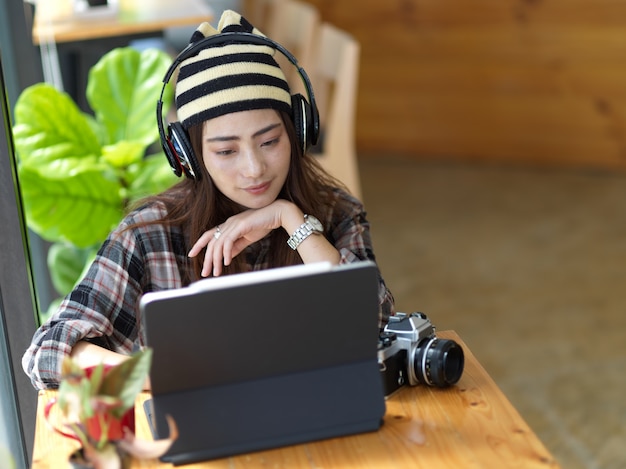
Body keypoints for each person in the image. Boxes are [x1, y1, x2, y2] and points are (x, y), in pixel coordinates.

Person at [22, 10, 395, 390]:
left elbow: (374, 324)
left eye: (269, 142)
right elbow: (46, 353)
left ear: (298, 131)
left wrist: (291, 220)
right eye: (226, 151)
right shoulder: (149, 235)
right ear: (189, 156)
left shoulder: (333, 211)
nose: (254, 169)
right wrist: (154, 375)